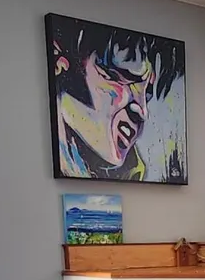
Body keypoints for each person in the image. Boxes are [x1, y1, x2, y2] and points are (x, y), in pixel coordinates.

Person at [48, 15, 185, 181]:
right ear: (61, 66)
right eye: (119, 79)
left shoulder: (134, 173)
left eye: (147, 91)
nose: (142, 111)